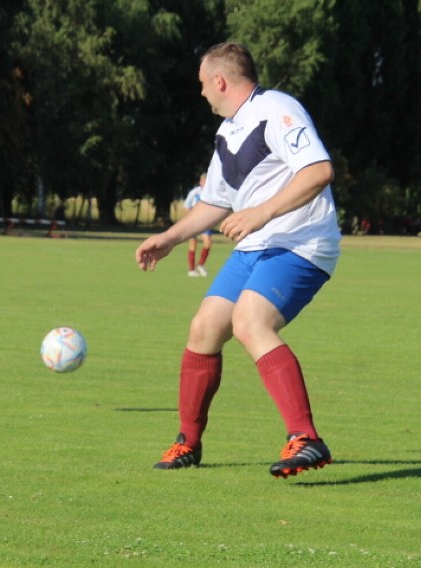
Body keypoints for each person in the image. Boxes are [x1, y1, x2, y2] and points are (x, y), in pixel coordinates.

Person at [135, 42, 341, 478]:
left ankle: (306, 438)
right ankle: (187, 443)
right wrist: (170, 238)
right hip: (256, 246)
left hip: (300, 242)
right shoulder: (229, 131)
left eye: (202, 84)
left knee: (250, 322)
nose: (201, 93)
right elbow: (217, 203)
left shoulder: (278, 109)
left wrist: (262, 212)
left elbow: (318, 170)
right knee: (204, 329)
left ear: (220, 81)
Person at [183, 173, 212, 276]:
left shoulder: (211, 192)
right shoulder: (195, 192)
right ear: (201, 182)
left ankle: (200, 265)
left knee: (208, 243)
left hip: (205, 222)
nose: (206, 184)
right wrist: (191, 218)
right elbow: (186, 206)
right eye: (204, 181)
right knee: (193, 244)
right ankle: (191, 270)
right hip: (193, 222)